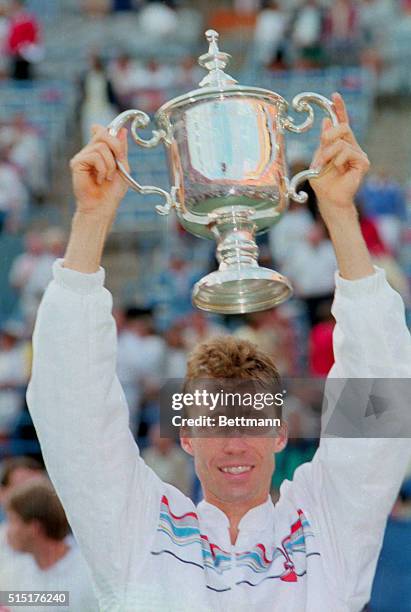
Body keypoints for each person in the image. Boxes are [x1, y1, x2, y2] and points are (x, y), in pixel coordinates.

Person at [26, 94, 411, 611]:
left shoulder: (328, 528)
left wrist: (337, 211)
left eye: (250, 422)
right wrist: (93, 219)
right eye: (216, 424)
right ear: (185, 434)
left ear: (278, 433)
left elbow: (380, 395)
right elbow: (69, 408)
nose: (234, 444)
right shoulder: (136, 534)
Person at [0, 479, 98, 612]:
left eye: (13, 521)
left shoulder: (89, 574)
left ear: (34, 528)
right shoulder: (12, 574)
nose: (7, 531)